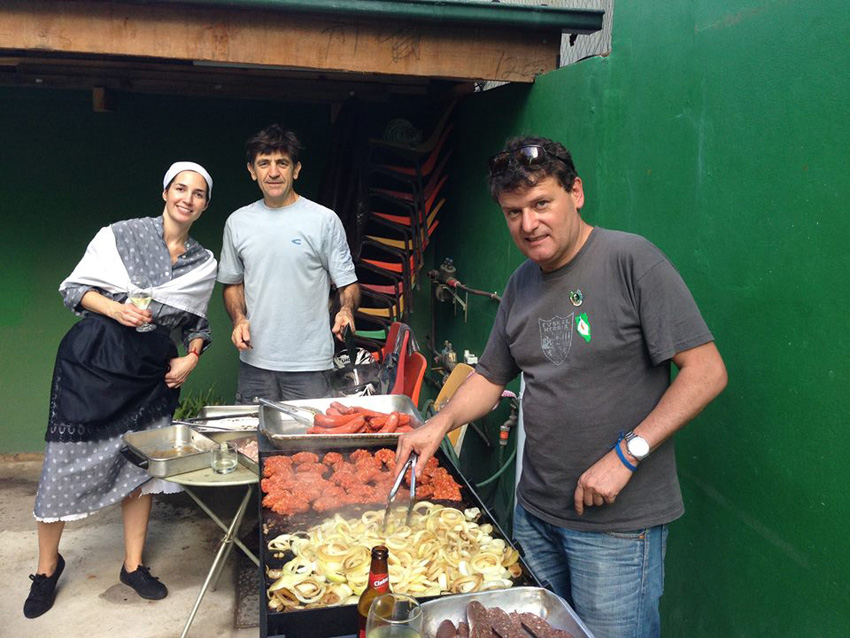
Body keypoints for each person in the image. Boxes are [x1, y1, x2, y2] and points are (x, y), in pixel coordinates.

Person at [395, 137, 728, 638]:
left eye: (540, 204)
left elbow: (706, 371)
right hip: (534, 514)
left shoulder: (631, 260)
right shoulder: (520, 285)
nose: (528, 224)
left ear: (576, 193)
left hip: (617, 528)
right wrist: (437, 424)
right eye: (513, 213)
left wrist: (627, 454)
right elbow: (489, 376)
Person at [23, 162, 218, 619]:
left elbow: (197, 323)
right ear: (165, 192)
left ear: (205, 205)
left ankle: (133, 566)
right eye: (179, 188)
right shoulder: (121, 235)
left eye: (197, 193)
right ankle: (47, 570)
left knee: (141, 469)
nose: (186, 198)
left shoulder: (202, 262)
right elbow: (74, 290)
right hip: (92, 361)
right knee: (62, 467)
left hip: (149, 374)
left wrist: (192, 356)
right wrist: (114, 309)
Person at [218, 124, 360, 403]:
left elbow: (349, 285)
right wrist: (239, 319)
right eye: (264, 163)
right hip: (255, 363)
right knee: (253, 443)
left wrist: (346, 310)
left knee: (311, 444)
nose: (273, 172)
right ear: (251, 170)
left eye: (282, 163)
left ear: (296, 170)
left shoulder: (323, 220)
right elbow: (232, 284)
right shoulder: (237, 222)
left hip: (311, 365)